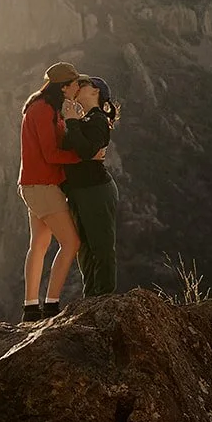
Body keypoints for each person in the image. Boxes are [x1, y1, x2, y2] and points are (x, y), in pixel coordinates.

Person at [18, 61, 104, 323]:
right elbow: (51, 153)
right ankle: (51, 304)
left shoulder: (42, 107)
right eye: (75, 84)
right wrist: (87, 158)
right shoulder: (43, 110)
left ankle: (31, 308)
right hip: (42, 185)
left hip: (35, 185)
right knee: (71, 242)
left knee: (40, 245)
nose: (78, 87)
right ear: (64, 87)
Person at [60, 76, 120, 297]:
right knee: (84, 247)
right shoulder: (85, 119)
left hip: (96, 189)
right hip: (78, 191)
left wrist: (72, 122)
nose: (78, 87)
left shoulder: (98, 120)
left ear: (96, 92)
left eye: (83, 85)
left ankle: (104, 297)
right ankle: (91, 297)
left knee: (101, 245)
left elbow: (85, 151)